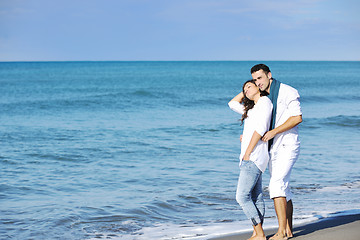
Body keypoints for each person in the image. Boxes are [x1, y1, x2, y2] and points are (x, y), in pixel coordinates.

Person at [251, 64, 302, 240]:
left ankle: (280, 232)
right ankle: (288, 229)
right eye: (254, 79)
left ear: (269, 75)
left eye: (260, 78)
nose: (258, 82)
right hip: (272, 149)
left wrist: (274, 132)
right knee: (284, 189)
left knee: (276, 185)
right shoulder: (262, 97)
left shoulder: (288, 91)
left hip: (288, 145)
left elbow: (297, 118)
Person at [228, 80, 273, 240]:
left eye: (249, 86)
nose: (246, 90)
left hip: (253, 157)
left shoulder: (264, 102)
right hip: (254, 157)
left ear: (259, 87)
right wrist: (246, 92)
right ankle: (257, 232)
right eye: (244, 88)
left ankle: (259, 233)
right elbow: (232, 103)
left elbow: (260, 129)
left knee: (241, 197)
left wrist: (247, 152)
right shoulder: (252, 108)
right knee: (256, 196)